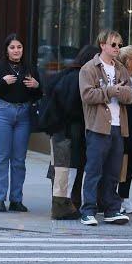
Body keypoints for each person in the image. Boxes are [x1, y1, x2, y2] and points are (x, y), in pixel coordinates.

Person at [78, 29, 132, 226]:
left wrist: (119, 92)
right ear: (102, 45)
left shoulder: (121, 69)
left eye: (119, 45)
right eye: (113, 45)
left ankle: (112, 209)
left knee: (113, 170)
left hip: (119, 126)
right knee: (94, 170)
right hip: (98, 127)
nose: (117, 48)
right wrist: (111, 91)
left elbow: (131, 95)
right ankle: (88, 210)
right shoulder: (89, 68)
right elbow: (87, 95)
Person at [0, 33, 43, 212]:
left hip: (24, 114)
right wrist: (2, 83)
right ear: (7, 50)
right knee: (1, 157)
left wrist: (37, 86)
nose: (16, 50)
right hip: (2, 113)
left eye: (19, 47)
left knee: (19, 160)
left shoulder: (30, 68)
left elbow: (38, 94)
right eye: (12, 47)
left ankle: (16, 199)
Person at [46, 45, 100, 219]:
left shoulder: (65, 74)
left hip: (58, 131)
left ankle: (64, 206)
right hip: (71, 132)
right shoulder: (79, 78)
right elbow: (73, 107)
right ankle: (63, 208)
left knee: (60, 169)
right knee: (69, 170)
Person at [117, 45, 132, 214]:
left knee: (130, 163)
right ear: (128, 61)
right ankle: (116, 198)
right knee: (120, 164)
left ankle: (124, 196)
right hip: (124, 127)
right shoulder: (121, 78)